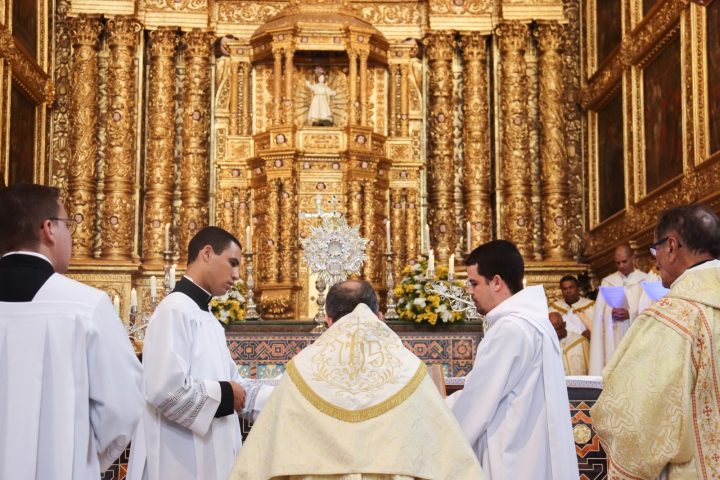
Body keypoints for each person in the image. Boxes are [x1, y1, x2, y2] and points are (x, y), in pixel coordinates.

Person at [229, 279, 484, 480]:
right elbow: (446, 452)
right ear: (379, 316)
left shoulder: (303, 369)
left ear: (328, 320)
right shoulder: (408, 369)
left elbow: (264, 453)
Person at [0, 183, 143, 479]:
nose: (70, 234)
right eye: (68, 224)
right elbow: (124, 406)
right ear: (49, 229)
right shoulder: (86, 306)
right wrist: (81, 458)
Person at [127, 226, 271, 480]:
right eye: (232, 262)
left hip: (207, 452)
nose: (237, 275)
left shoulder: (207, 319)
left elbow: (238, 387)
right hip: (178, 458)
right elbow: (164, 390)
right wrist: (226, 394)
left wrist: (291, 392)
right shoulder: (175, 310)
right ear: (207, 253)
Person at [591, 204, 720, 479]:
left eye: (656, 250)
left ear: (671, 246)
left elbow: (634, 426)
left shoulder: (672, 318)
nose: (656, 260)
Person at [448, 240, 578, 479]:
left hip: (510, 460)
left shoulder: (509, 329)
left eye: (474, 283)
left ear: (496, 282)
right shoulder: (537, 324)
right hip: (533, 458)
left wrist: (435, 410)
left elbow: (477, 403)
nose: (470, 291)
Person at [588, 243, 650, 375]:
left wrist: (631, 313)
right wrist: (610, 313)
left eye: (624, 261)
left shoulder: (645, 280)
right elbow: (599, 314)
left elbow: (649, 309)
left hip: (635, 337)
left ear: (633, 258)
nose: (621, 266)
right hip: (614, 337)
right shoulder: (608, 282)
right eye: (617, 263)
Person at [550, 274, 594, 341]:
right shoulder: (553, 308)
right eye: (565, 289)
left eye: (571, 287)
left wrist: (592, 333)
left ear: (578, 288)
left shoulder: (592, 306)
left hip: (586, 344)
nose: (568, 291)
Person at [549, 311, 590, 376]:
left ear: (564, 325)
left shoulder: (580, 342)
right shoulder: (544, 344)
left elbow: (590, 368)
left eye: (557, 329)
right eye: (551, 330)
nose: (554, 333)